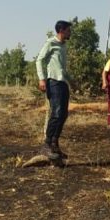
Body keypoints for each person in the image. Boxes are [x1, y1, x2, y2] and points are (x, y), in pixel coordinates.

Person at [36, 20, 72, 160]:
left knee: (63, 114)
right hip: (53, 83)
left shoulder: (63, 46)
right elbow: (39, 60)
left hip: (62, 82)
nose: (70, 33)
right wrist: (41, 79)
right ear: (61, 30)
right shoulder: (51, 43)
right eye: (68, 30)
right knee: (56, 112)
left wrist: (72, 81)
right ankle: (46, 146)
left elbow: (62, 68)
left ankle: (54, 144)